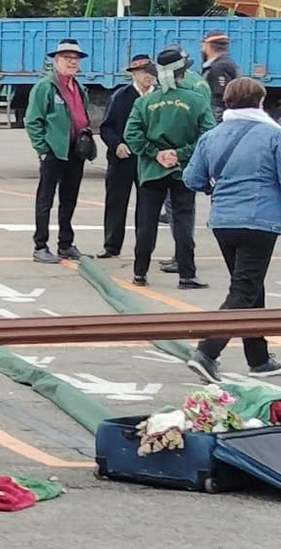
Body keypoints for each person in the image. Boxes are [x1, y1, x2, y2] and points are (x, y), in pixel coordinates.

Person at [183, 78, 281, 382]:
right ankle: (207, 351)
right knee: (244, 290)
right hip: (260, 221)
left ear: (227, 103)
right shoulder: (273, 135)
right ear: (260, 103)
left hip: (223, 222)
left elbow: (192, 179)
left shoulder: (211, 137)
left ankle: (259, 357)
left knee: (251, 286)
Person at [126, 46, 215, 289]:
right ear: (183, 72)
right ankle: (186, 275)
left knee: (146, 223)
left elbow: (131, 134)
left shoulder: (145, 102)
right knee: (183, 222)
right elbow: (209, 135)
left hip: (151, 171)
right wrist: (181, 153)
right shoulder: (196, 101)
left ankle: (140, 272)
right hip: (183, 171)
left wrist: (155, 153)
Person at [24, 38, 93, 264]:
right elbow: (33, 120)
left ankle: (65, 244)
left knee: (69, 199)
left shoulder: (79, 87)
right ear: (56, 60)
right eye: (67, 58)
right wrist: (43, 148)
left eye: (75, 59)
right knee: (46, 199)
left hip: (75, 151)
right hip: (54, 151)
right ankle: (40, 245)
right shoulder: (45, 86)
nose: (72, 62)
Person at [95, 54, 156, 260]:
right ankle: (112, 245)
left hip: (149, 159)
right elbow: (106, 127)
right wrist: (117, 144)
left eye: (151, 71)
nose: (148, 76)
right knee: (116, 202)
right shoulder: (121, 97)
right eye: (144, 72)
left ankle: (144, 248)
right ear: (134, 74)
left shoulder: (160, 97)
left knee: (148, 205)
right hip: (122, 158)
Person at [200, 30, 240, 116]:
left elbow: (218, 102)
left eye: (203, 45)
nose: (201, 48)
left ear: (209, 46)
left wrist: (215, 126)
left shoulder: (218, 67)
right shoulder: (226, 63)